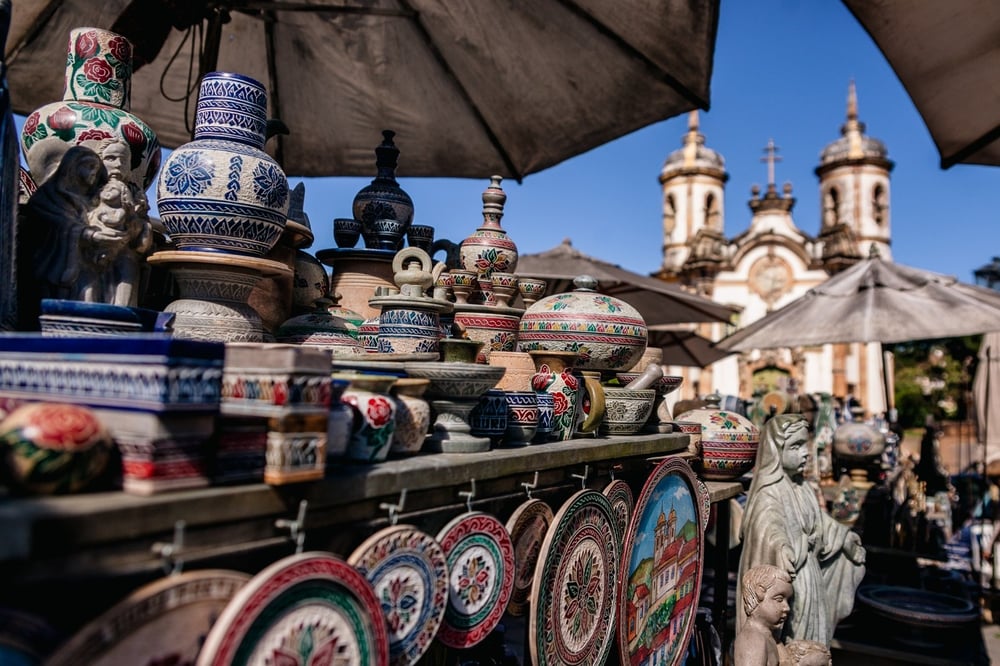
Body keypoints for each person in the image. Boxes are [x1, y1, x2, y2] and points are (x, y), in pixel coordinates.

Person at [737, 414, 866, 644]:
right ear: (776, 451)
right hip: (794, 580)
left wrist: (843, 537)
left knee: (814, 640)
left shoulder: (802, 486)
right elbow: (767, 528)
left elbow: (820, 523)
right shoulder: (769, 493)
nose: (805, 452)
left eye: (805, 445)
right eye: (796, 446)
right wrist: (781, 548)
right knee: (794, 642)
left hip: (810, 578)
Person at [734, 564, 792, 666]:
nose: (787, 608)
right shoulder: (753, 640)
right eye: (779, 599)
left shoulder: (771, 638)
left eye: (788, 601)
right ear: (759, 593)